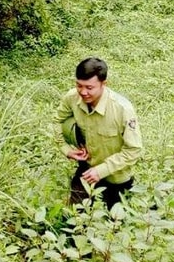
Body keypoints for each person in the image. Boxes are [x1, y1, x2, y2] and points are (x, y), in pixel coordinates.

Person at [54, 57, 142, 209]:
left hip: (116, 176)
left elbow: (134, 150)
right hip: (86, 168)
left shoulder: (122, 109)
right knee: (74, 215)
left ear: (104, 84)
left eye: (89, 87)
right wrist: (67, 149)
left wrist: (101, 170)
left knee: (116, 219)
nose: (83, 92)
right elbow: (56, 121)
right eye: (79, 85)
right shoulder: (72, 98)